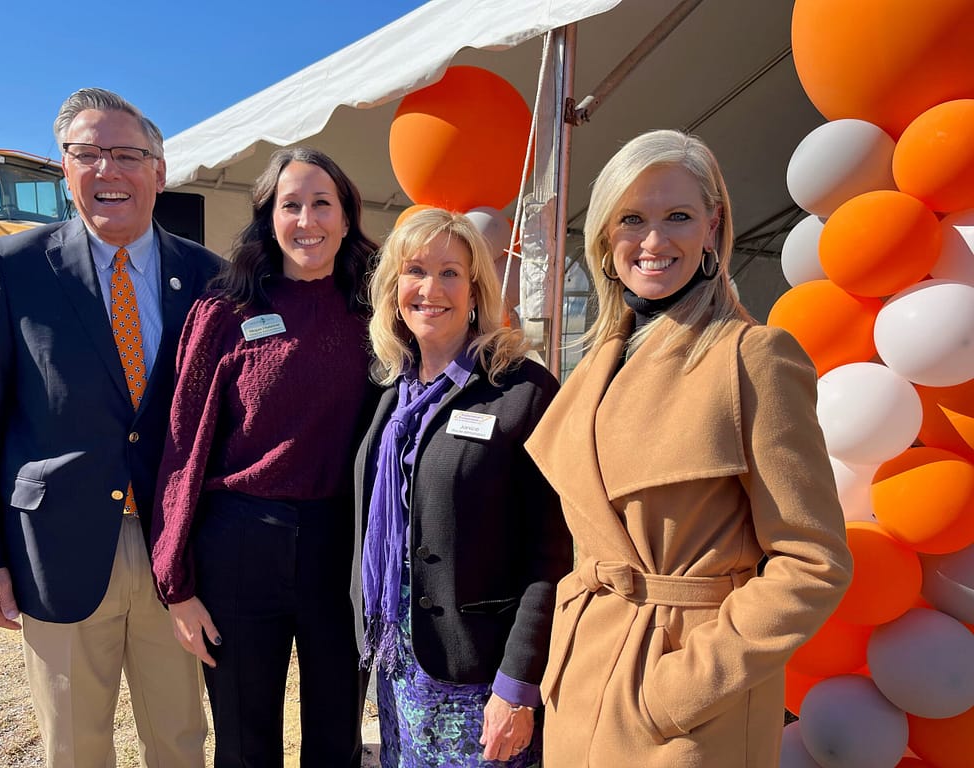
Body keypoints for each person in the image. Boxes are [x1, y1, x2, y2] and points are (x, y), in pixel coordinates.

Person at [524, 129, 854, 767]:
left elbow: (813, 562)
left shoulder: (755, 357)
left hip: (687, 707)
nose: (653, 241)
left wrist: (680, 688)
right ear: (603, 236)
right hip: (583, 679)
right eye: (632, 219)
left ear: (714, 226)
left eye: (677, 216)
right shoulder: (596, 364)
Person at [0, 87, 221, 766]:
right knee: (74, 746)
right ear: (65, 168)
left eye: (127, 154)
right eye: (87, 154)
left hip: (176, 554)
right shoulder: (12, 267)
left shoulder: (208, 275)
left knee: (181, 738)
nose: (108, 170)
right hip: (57, 549)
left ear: (158, 172)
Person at [151, 146, 378, 768]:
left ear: (347, 215)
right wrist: (175, 580)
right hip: (240, 544)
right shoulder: (225, 312)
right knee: (245, 740)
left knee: (337, 733)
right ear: (268, 218)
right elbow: (183, 444)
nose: (308, 220)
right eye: (291, 205)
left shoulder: (380, 314)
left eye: (322, 204)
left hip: (341, 547)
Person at [350, 208, 573, 767]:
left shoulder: (521, 389)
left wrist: (518, 686)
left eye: (451, 273)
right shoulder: (390, 396)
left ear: (476, 290)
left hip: (480, 675)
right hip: (401, 664)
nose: (431, 289)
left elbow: (552, 553)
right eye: (415, 271)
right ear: (392, 288)